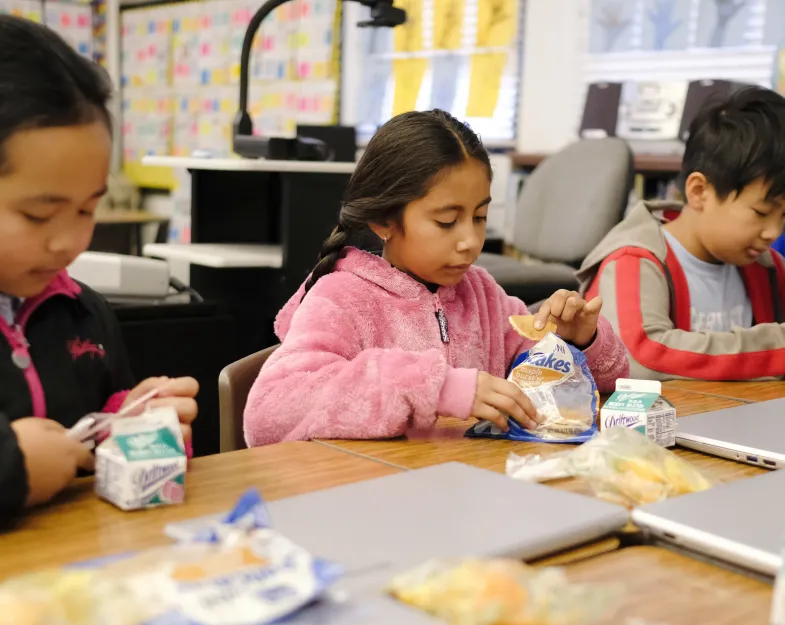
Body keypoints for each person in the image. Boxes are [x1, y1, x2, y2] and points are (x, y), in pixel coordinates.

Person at [243, 110, 629, 446]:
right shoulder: (340, 299)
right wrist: (436, 387)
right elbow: (268, 414)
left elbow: (596, 385)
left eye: (480, 217)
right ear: (383, 220)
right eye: (447, 221)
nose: (470, 241)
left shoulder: (482, 295)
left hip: (469, 495)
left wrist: (576, 342)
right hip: (374, 501)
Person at [0, 17, 198, 524]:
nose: (69, 242)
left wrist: (128, 424)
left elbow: (85, 429)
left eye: (87, 210)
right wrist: (13, 468)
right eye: (38, 215)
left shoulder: (82, 311)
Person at [578, 86, 785, 381]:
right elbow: (637, 358)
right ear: (699, 191)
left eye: (784, 217)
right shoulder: (633, 263)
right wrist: (775, 349)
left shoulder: (767, 268)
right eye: (762, 212)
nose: (773, 232)